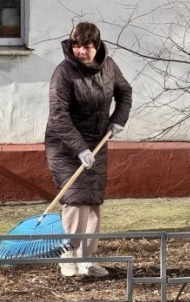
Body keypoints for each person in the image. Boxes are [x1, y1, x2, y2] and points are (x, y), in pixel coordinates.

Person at [44, 22, 132, 277]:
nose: (80, 51)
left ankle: (87, 259)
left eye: (86, 46)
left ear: (97, 45)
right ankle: (67, 255)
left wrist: (118, 119)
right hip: (65, 145)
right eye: (76, 45)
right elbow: (59, 116)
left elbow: (125, 91)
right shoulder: (63, 73)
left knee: (93, 201)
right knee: (75, 199)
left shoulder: (109, 67)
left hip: (98, 143)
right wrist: (79, 148)